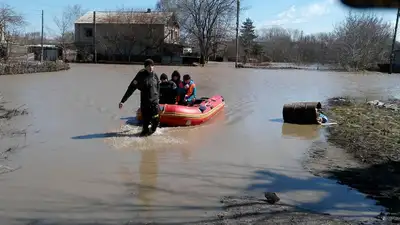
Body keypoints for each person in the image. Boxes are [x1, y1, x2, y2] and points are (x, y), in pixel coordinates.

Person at [119, 59, 160, 137]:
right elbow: (131, 88)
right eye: (148, 66)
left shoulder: (155, 75)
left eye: (152, 66)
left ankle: (151, 131)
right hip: (145, 104)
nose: (151, 67)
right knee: (145, 127)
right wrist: (123, 101)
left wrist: (158, 97)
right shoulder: (140, 76)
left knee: (156, 120)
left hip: (154, 103)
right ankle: (144, 136)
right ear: (145, 67)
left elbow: (158, 86)